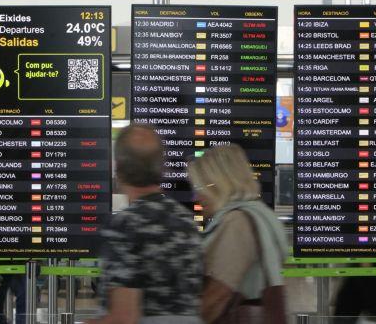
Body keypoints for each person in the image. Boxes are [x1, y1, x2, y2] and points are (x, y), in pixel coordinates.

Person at [88, 124, 203, 324]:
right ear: (162, 167)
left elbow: (124, 318)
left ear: (119, 169)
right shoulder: (187, 222)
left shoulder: (125, 226)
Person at [187, 144, 287, 324]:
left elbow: (217, 297)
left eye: (200, 187)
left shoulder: (237, 222)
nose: (196, 197)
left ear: (220, 183)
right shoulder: (261, 215)